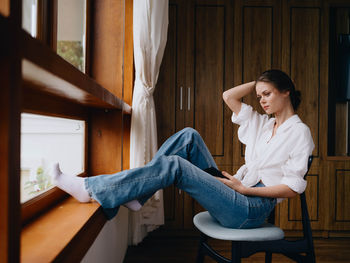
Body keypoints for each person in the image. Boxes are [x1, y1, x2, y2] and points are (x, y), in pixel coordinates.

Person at [54, 69, 314, 229]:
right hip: (234, 189)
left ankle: (91, 189)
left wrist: (244, 189)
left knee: (175, 166)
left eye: (267, 94)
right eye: (259, 96)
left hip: (250, 208)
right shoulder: (263, 125)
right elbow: (229, 96)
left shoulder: (299, 133)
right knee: (188, 136)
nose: (262, 101)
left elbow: (293, 188)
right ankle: (137, 196)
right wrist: (260, 81)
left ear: (286, 92)